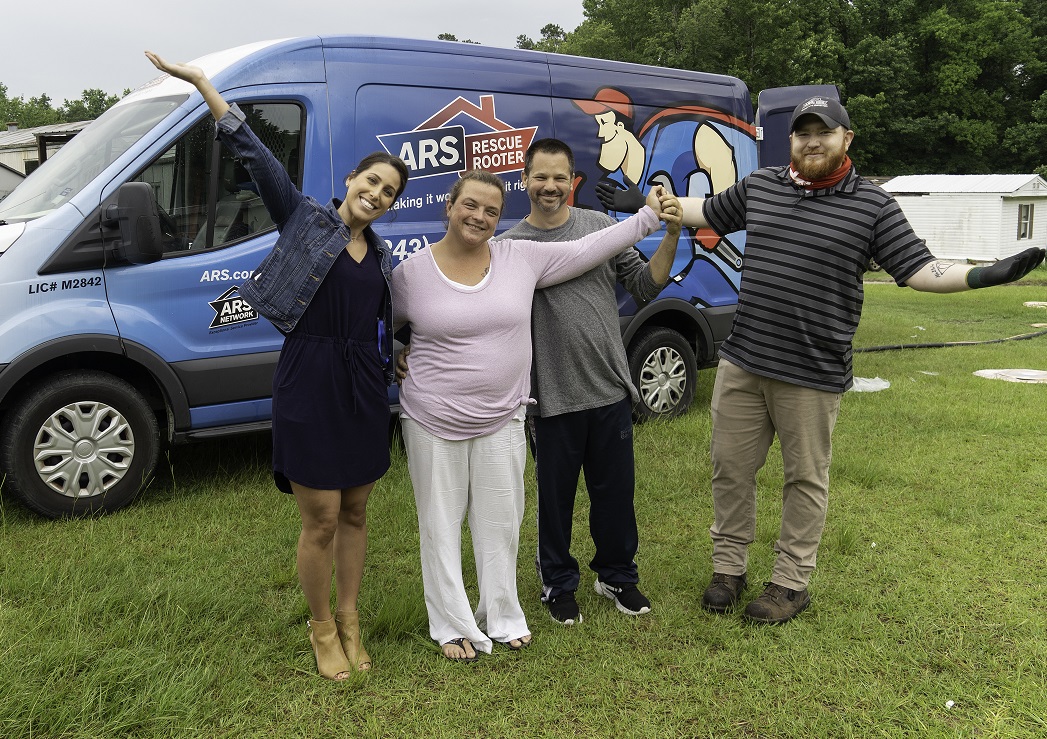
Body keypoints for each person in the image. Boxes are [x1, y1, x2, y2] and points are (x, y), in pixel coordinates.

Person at [601, 95, 1045, 624]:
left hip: (811, 372)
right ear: (791, 139)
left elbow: (919, 269)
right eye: (803, 133)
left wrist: (982, 275)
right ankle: (728, 569)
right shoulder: (762, 186)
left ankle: (790, 583)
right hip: (743, 361)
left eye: (824, 132)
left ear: (845, 139)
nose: (812, 142)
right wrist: (649, 202)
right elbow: (702, 210)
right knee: (730, 470)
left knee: (804, 480)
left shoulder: (873, 206)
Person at [145, 52, 410, 677]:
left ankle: (350, 616)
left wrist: (395, 354)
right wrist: (204, 85)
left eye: (388, 193)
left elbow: (385, 320)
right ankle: (322, 628)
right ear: (351, 179)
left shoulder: (383, 257)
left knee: (356, 511)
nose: (376, 195)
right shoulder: (304, 219)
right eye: (371, 182)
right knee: (321, 519)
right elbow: (255, 155)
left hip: (363, 388)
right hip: (309, 380)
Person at [392, 169, 679, 661]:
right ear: (450, 206)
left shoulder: (518, 258)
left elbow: (588, 248)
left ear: (499, 219)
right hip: (433, 419)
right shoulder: (411, 273)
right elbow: (381, 324)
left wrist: (648, 217)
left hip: (502, 416)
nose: (479, 217)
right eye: (470, 205)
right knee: (440, 525)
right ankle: (451, 625)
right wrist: (397, 352)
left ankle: (502, 615)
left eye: (490, 211)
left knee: (501, 523)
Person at [495, 138, 681, 624]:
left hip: (610, 389)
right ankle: (558, 584)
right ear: (524, 180)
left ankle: (617, 575)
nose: (550, 186)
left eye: (560, 177)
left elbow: (645, 285)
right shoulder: (509, 247)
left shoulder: (600, 226)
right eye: (540, 177)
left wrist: (671, 235)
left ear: (573, 181)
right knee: (554, 503)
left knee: (615, 496)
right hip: (551, 397)